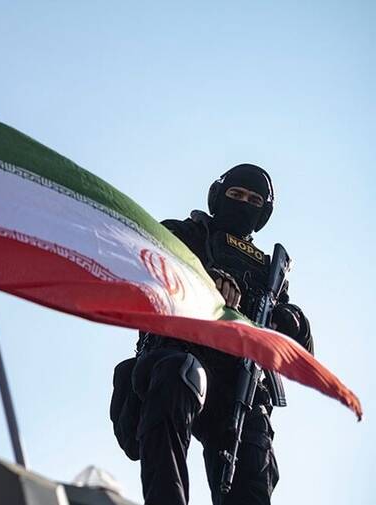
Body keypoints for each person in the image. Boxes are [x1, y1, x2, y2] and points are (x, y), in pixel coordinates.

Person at [118, 164, 314, 505]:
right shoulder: (182, 233)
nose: (243, 204)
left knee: (252, 467)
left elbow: (303, 350)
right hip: (181, 357)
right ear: (217, 197)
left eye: (254, 200)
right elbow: (148, 263)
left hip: (240, 384)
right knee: (179, 374)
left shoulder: (270, 273)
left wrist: (291, 319)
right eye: (236, 194)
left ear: (264, 213)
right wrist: (205, 279)